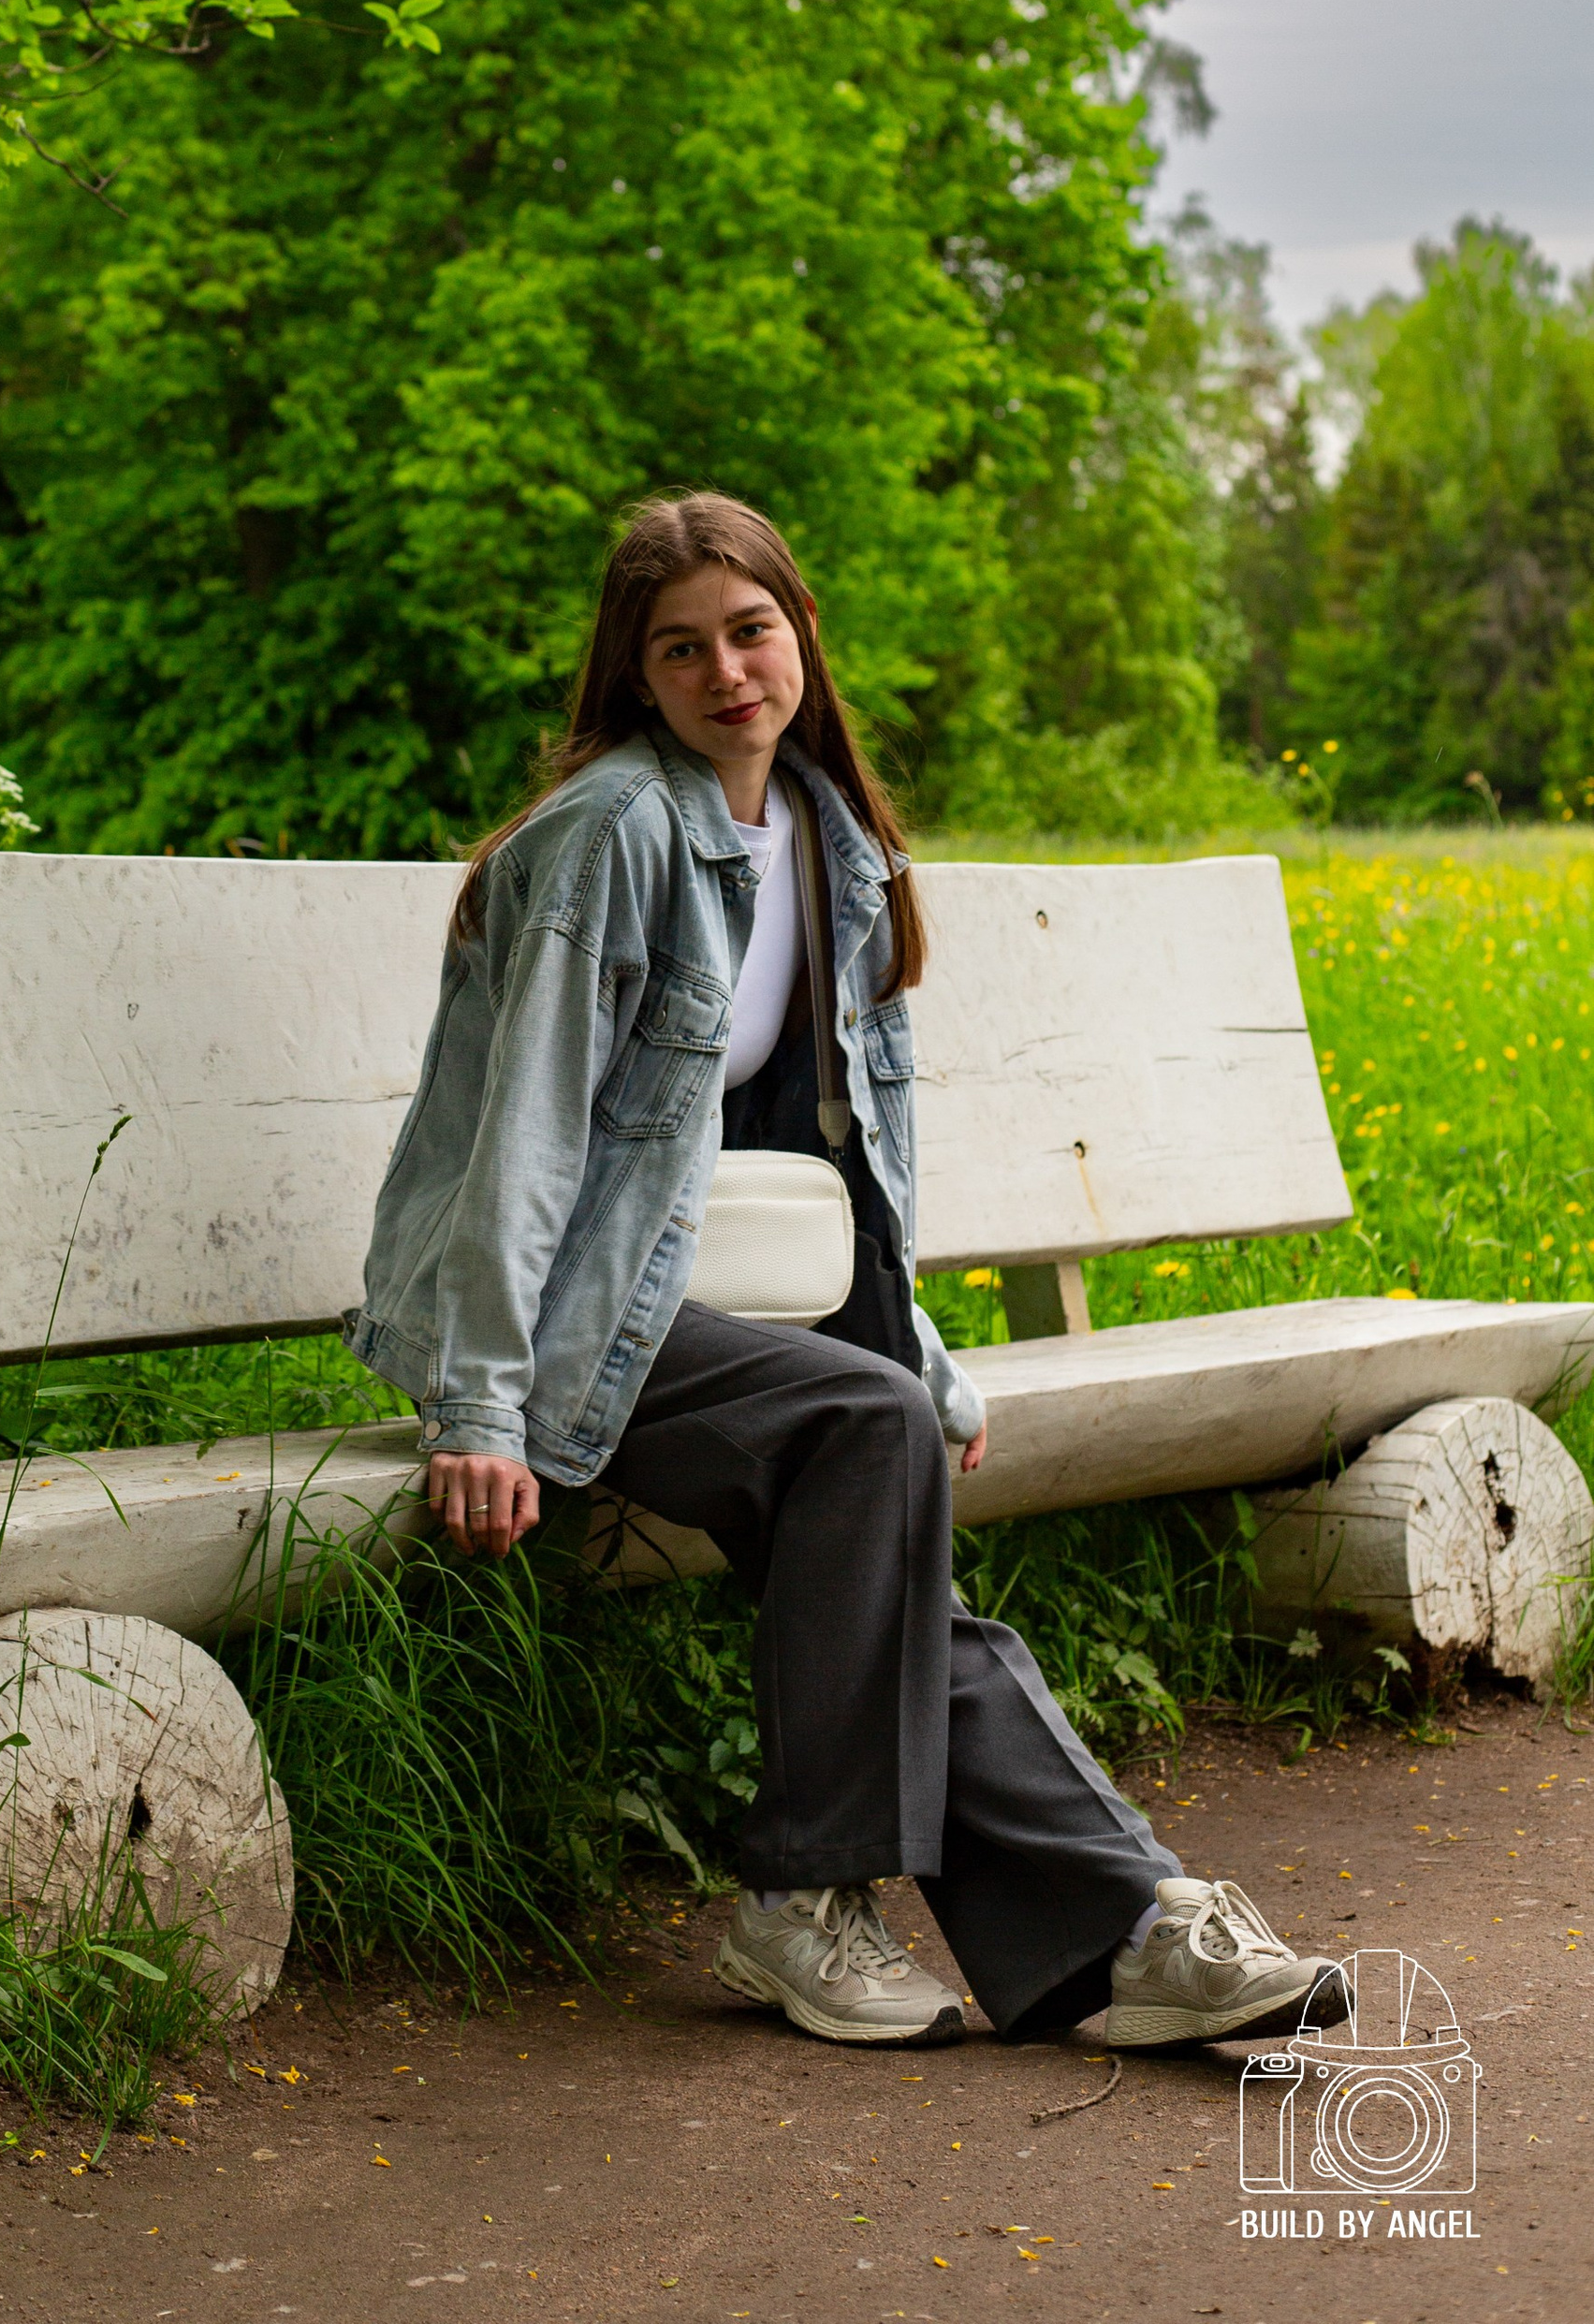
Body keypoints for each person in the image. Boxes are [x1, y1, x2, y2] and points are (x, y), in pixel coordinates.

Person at [345, 493, 1346, 2052]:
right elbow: (524, 1134)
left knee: (886, 1486)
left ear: (800, 632)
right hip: (558, 1315)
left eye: (750, 632)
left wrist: (925, 1344)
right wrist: (477, 1404)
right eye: (681, 650)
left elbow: (843, 1139)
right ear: (638, 677)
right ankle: (824, 1898)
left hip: (712, 1290)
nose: (726, 672)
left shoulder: (828, 838)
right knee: (869, 1433)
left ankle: (1135, 1931)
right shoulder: (612, 835)